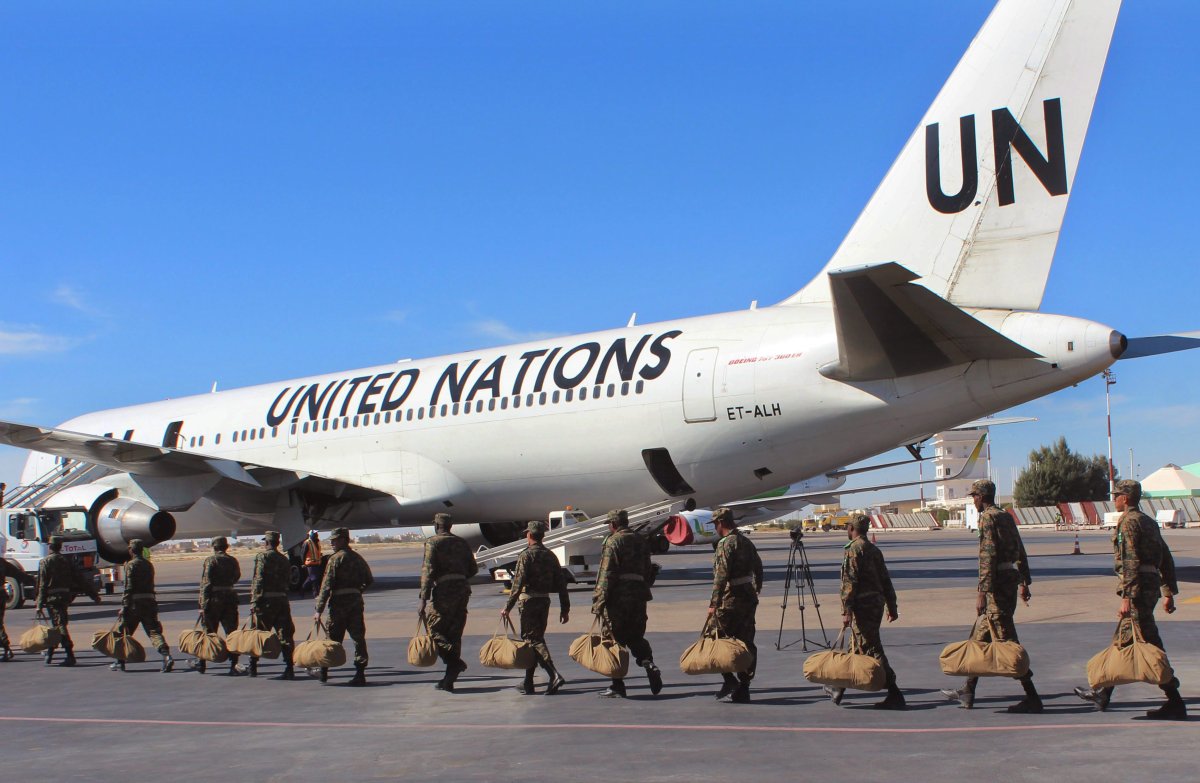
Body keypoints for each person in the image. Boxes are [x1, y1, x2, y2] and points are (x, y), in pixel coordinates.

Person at [1075, 479, 1186, 719]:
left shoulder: (1128, 523)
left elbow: (1131, 561)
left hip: (1136, 591)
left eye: (1116, 496)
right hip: (1149, 587)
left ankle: (1174, 700)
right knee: (1133, 640)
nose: (1114, 500)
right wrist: (1168, 591)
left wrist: (1127, 596)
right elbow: (1165, 557)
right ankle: (1104, 695)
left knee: (1138, 640)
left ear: (1126, 498)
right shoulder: (1148, 522)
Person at [941, 480, 1042, 713]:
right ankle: (968, 689)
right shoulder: (1005, 516)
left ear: (982, 496)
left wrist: (982, 592)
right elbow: (1020, 548)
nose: (973, 500)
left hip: (997, 588)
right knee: (979, 639)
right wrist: (1024, 580)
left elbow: (988, 557)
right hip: (1008, 582)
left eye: (974, 496)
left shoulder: (987, 518)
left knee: (1007, 643)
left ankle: (1032, 696)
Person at [828, 515, 904, 709]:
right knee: (858, 644)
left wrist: (846, 610)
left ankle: (894, 692)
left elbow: (849, 583)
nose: (846, 530)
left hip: (863, 606)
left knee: (871, 647)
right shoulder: (874, 550)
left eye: (848, 527)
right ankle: (838, 688)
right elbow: (885, 580)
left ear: (852, 528)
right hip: (875, 604)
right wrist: (891, 605)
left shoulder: (853, 549)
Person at [593, 509, 663, 699]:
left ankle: (617, 684)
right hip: (639, 595)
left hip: (618, 597)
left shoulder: (613, 541)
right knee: (635, 636)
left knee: (613, 640)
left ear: (613, 524)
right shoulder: (641, 541)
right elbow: (649, 571)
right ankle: (648, 663)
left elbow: (607, 573)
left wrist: (598, 601)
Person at [500, 520, 570, 695]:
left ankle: (553, 674)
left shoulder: (526, 555)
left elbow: (517, 584)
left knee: (533, 640)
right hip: (544, 601)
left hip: (529, 601)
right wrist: (565, 608)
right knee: (533, 639)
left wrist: (507, 607)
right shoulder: (550, 555)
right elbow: (562, 583)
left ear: (529, 535)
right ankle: (528, 682)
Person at [707, 507, 763, 704]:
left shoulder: (725, 544)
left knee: (714, 638)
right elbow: (758, 566)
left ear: (721, 523)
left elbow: (720, 577)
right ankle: (745, 687)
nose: (715, 527)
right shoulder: (746, 542)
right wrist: (756, 588)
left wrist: (714, 603)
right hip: (748, 597)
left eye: (715, 524)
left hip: (730, 599)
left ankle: (729, 679)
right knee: (746, 641)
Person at [418, 513, 479, 692]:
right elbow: (473, 569)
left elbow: (428, 571)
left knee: (434, 630)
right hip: (462, 590)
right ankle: (449, 679)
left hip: (444, 591)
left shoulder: (433, 543)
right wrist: (458, 578)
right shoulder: (462, 543)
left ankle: (454, 663)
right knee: (454, 633)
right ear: (450, 526)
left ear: (437, 525)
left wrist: (423, 598)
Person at [313, 527, 373, 686]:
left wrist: (319, 609)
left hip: (339, 604)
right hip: (355, 603)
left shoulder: (335, 559)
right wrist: (357, 591)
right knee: (358, 638)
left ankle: (324, 671)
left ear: (343, 540)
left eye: (335, 539)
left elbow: (326, 586)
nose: (332, 542)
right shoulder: (358, 558)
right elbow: (369, 579)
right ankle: (360, 673)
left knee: (332, 639)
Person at [36, 535, 101, 666]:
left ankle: (69, 654)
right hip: (65, 597)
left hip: (52, 599)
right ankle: (50, 653)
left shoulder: (45, 562)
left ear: (50, 546)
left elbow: (42, 585)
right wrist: (93, 595)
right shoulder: (66, 561)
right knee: (58, 624)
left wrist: (39, 604)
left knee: (60, 626)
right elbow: (80, 580)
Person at [115, 539, 174, 672]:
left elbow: (128, 587)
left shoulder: (130, 565)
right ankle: (166, 656)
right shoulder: (148, 565)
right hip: (149, 603)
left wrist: (124, 606)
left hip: (134, 605)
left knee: (124, 632)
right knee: (154, 632)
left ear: (131, 550)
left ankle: (120, 660)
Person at [190, 536, 243, 676]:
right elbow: (237, 577)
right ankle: (233, 664)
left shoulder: (211, 561)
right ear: (226, 547)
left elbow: (206, 583)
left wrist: (203, 604)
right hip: (230, 598)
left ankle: (202, 663)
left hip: (214, 600)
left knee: (208, 632)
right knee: (232, 633)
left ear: (214, 547)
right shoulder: (232, 560)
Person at [249, 530, 296, 679]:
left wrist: (255, 600)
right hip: (281, 600)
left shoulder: (262, 557)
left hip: (266, 602)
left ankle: (253, 666)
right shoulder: (284, 559)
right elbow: (289, 579)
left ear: (267, 542)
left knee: (259, 634)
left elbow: (259, 579)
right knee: (285, 635)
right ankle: (289, 667)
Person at [1, 556, 26, 661]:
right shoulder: (1, 562)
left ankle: (6, 648)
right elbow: (17, 574)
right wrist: (33, 581)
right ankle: (6, 648)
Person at [301, 531, 322, 597]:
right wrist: (303, 563)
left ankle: (302, 590)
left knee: (311, 578)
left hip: (317, 563)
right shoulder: (307, 542)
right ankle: (316, 593)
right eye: (315, 534)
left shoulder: (317, 542)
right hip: (310, 563)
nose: (316, 535)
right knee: (314, 578)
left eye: (316, 534)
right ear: (311, 534)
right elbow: (303, 554)